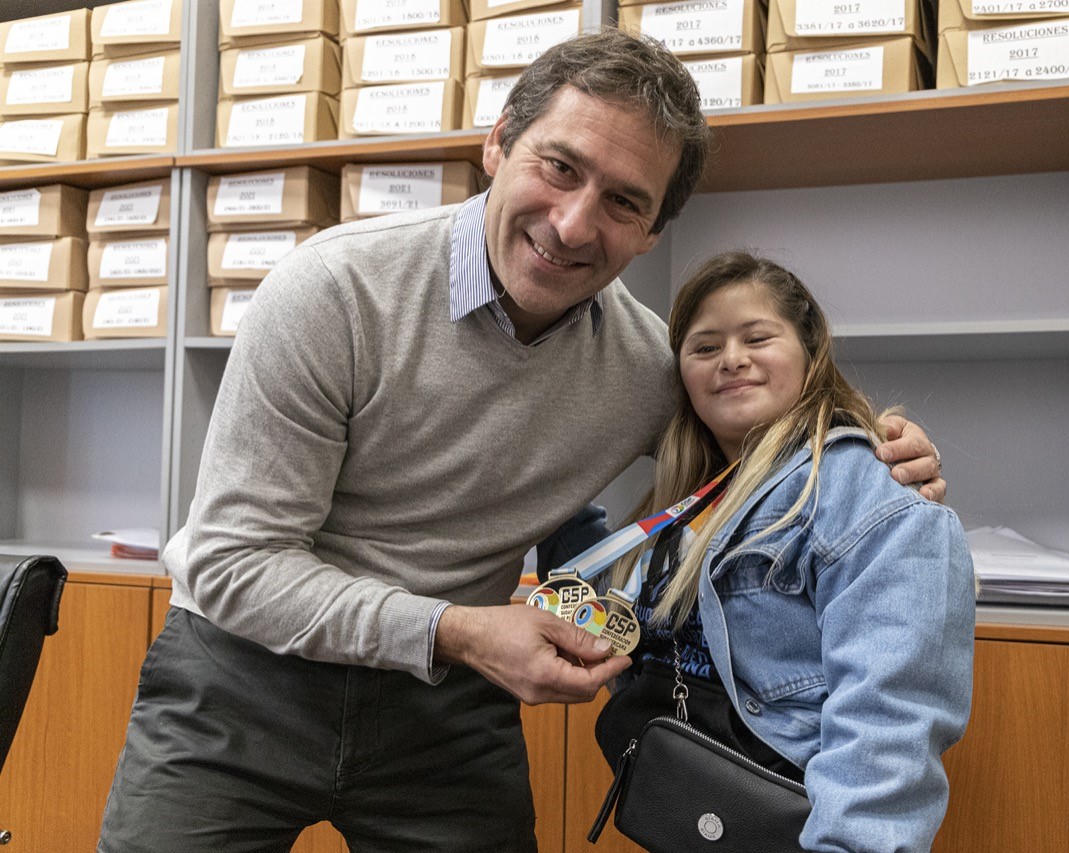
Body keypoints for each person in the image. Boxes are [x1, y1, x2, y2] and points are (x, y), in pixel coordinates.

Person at [98, 30, 946, 853]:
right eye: (561, 166)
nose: (574, 225)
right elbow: (234, 562)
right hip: (245, 675)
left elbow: (764, 445)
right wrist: (459, 630)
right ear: (498, 142)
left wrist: (875, 453)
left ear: (652, 231)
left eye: (624, 201)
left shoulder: (647, 368)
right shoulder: (335, 291)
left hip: (446, 708)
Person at [576, 252, 975, 852]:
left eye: (757, 338)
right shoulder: (682, 503)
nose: (732, 359)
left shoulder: (868, 495)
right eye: (705, 347)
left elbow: (889, 727)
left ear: (810, 352)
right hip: (693, 818)